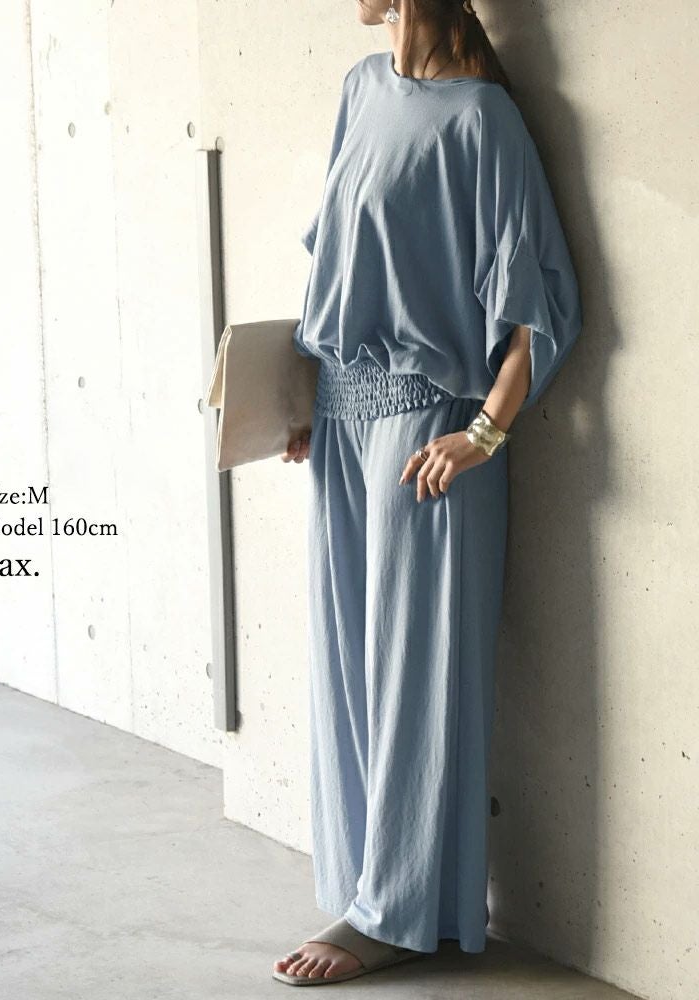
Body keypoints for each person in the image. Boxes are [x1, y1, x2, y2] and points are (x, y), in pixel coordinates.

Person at [273, 0, 582, 987]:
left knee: (419, 672)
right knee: (349, 662)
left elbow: (538, 305)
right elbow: (337, 264)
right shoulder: (360, 89)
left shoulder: (483, 121)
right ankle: (364, 884)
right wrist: (303, 400)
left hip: (427, 431)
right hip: (340, 415)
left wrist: (482, 433)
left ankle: (397, 912)